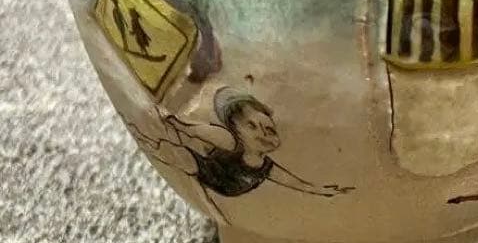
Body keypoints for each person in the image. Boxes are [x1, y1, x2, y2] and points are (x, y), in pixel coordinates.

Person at [126, 87, 351, 223]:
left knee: (183, 154)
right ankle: (152, 141)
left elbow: (295, 183)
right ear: (236, 130)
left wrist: (322, 190)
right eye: (251, 126)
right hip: (207, 171)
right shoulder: (229, 141)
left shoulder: (265, 167)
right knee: (182, 154)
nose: (262, 133)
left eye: (269, 129)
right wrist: (175, 124)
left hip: (227, 189)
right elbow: (196, 131)